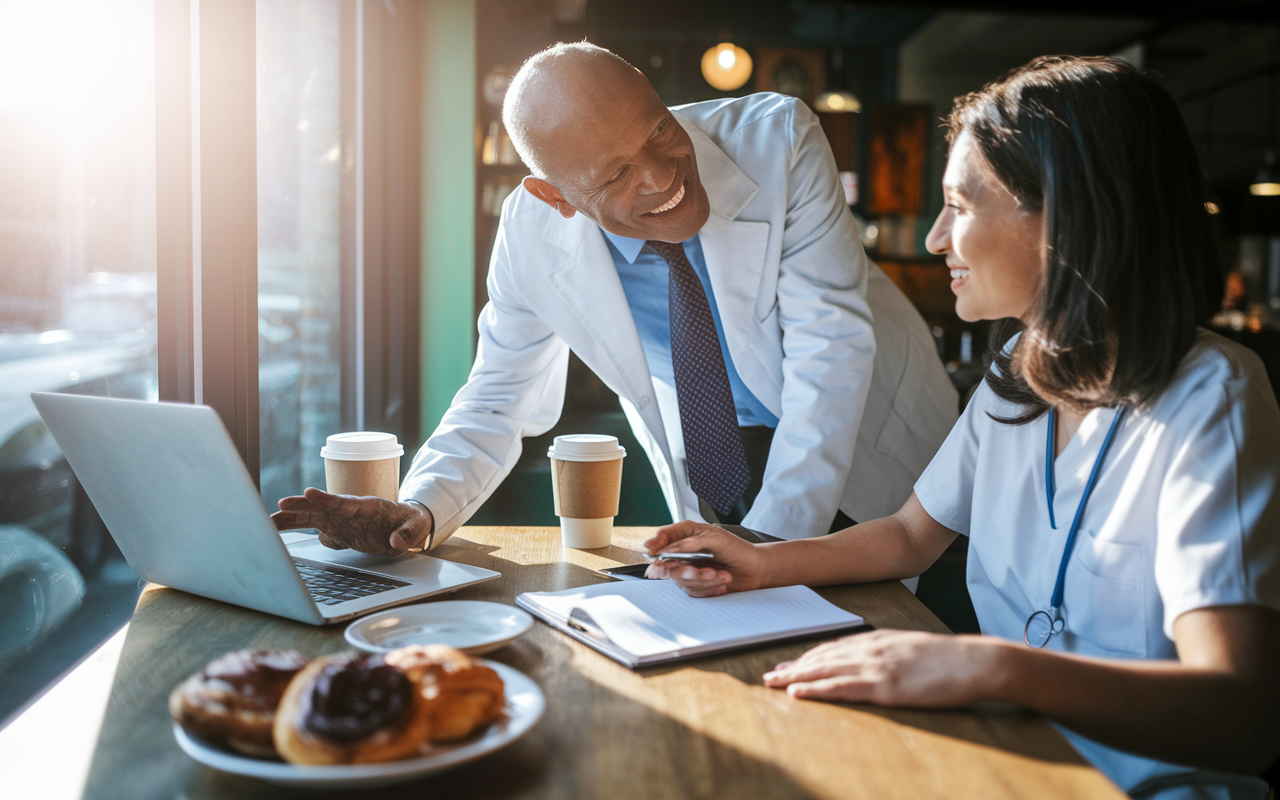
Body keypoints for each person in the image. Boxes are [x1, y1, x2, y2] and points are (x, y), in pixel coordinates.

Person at [645, 56, 1280, 799]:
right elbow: (912, 536)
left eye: (960, 206)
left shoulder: (1215, 397)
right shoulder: (1021, 363)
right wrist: (763, 561)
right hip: (1000, 757)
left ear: (1064, 216)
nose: (938, 239)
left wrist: (991, 665)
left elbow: (1244, 716)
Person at [271, 43, 957, 558]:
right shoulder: (532, 232)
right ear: (558, 196)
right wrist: (417, 510)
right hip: (719, 451)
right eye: (616, 173)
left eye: (659, 130)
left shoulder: (779, 141)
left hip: (865, 428)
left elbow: (828, 351)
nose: (664, 175)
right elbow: (499, 395)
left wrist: (770, 547)